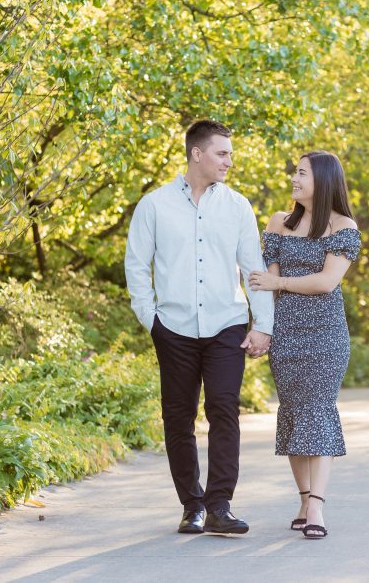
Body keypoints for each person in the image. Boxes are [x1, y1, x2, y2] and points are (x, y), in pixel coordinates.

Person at [124, 119, 273, 536]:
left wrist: (264, 324)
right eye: (222, 153)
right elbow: (137, 267)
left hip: (226, 322)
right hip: (173, 327)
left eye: (229, 153)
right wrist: (150, 320)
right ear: (197, 154)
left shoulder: (238, 206)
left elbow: (253, 268)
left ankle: (220, 506)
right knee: (178, 417)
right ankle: (192, 505)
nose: (229, 160)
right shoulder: (154, 205)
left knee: (224, 409)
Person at [248, 151, 361, 540]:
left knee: (318, 410)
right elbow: (265, 279)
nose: (294, 179)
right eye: (294, 172)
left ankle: (317, 506)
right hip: (287, 335)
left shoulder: (343, 227)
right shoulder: (280, 222)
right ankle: (303, 497)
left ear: (324, 180)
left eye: (301, 173)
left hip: (327, 336)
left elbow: (327, 282)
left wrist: (278, 284)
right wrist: (262, 326)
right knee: (294, 414)